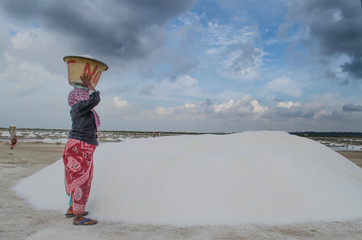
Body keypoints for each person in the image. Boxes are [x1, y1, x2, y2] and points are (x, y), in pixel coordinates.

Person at [63, 73, 100, 225]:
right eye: (83, 94)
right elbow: (95, 99)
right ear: (78, 97)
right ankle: (78, 217)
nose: (86, 96)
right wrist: (91, 86)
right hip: (81, 146)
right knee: (82, 181)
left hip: (79, 146)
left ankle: (72, 209)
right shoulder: (79, 107)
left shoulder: (79, 109)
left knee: (78, 178)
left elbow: (92, 102)